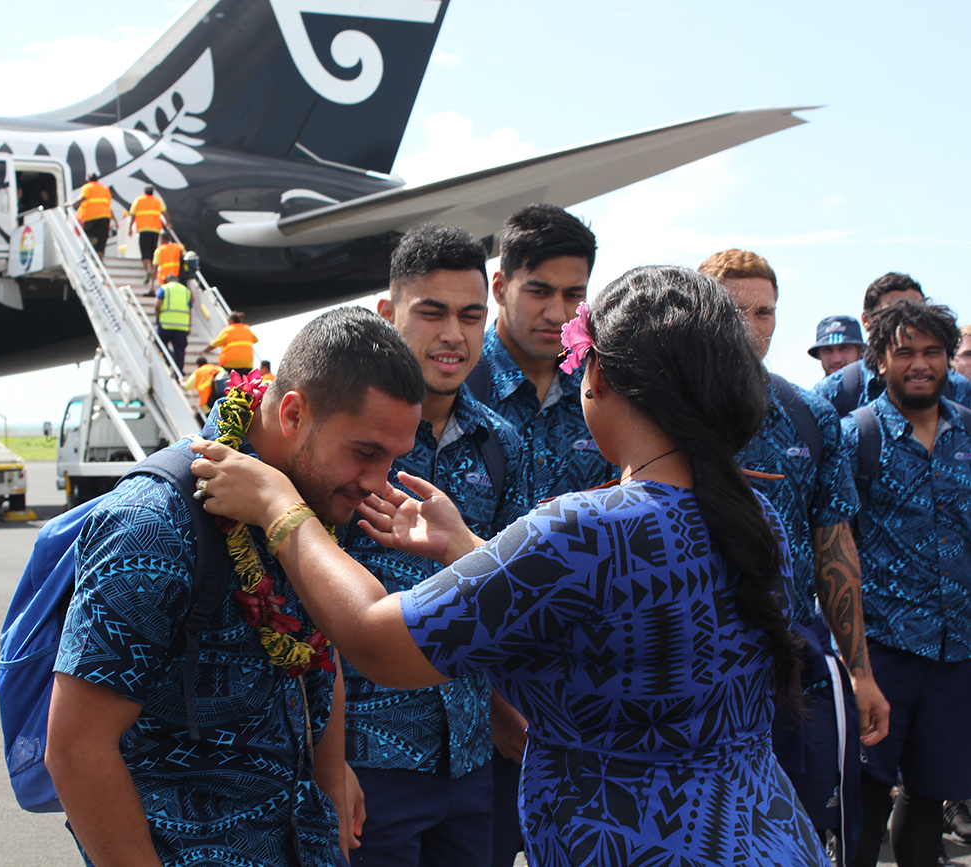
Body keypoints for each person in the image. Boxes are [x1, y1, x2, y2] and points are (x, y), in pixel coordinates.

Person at [191, 265, 830, 867]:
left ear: (599, 376)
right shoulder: (754, 520)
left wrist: (281, 508)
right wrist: (466, 547)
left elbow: (377, 639)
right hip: (763, 829)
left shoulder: (588, 530)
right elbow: (605, 640)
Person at [47, 306, 426, 867]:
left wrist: (330, 773)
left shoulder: (317, 501)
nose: (377, 481)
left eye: (393, 458)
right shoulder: (155, 523)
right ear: (294, 413)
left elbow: (320, 651)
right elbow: (77, 749)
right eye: (366, 452)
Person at [339, 225, 529, 866]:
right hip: (366, 758)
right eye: (434, 312)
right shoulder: (343, 430)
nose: (455, 334)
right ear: (387, 315)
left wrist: (503, 708)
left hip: (470, 760)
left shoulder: (503, 442)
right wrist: (323, 759)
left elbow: (505, 591)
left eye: (472, 315)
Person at [699, 250, 888, 862]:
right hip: (685, 667)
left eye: (765, 312)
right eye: (734, 311)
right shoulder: (657, 410)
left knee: (794, 829)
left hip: (790, 666)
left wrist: (858, 672)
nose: (751, 327)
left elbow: (835, 548)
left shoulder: (810, 418)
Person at [463, 202, 612, 866]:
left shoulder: (605, 390)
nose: (558, 311)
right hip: (471, 708)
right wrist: (493, 698)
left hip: (582, 698)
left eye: (574, 294)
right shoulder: (451, 384)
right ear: (500, 286)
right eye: (540, 290)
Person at [839, 301, 971, 867]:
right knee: (865, 797)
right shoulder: (856, 437)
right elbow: (834, 547)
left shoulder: (969, 433)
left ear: (948, 361)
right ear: (881, 361)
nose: (921, 364)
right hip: (883, 653)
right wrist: (855, 664)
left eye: (932, 352)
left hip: (958, 652)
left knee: (929, 794)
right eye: (906, 353)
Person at [814, 272, 971, 412]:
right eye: (893, 313)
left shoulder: (957, 388)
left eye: (917, 311)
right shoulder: (834, 391)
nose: (908, 321)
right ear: (866, 320)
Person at [128, 184, 166, 284]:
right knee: (153, 250)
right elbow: (165, 212)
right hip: (155, 229)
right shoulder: (158, 201)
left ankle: (147, 270)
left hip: (143, 228)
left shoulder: (139, 200)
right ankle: (153, 271)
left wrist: (130, 228)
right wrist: (168, 223)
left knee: (145, 250)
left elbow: (132, 214)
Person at [155, 272, 192, 371]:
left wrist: (157, 318)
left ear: (166, 280)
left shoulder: (164, 288)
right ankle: (179, 373)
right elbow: (189, 310)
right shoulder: (186, 291)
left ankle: (169, 356)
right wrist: (189, 325)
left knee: (159, 341)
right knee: (180, 350)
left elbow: (158, 305)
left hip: (166, 324)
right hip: (182, 326)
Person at [74, 173, 113, 257]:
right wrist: (115, 221)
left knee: (88, 232)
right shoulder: (105, 189)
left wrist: (71, 204)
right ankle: (100, 257)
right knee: (102, 238)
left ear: (89, 180)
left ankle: (92, 238)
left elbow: (82, 198)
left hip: (91, 215)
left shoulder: (87, 187)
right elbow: (108, 205)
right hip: (105, 216)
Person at [207, 310, 257, 375]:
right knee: (244, 382)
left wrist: (204, 351)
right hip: (247, 362)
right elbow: (255, 340)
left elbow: (215, 343)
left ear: (231, 320)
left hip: (230, 362)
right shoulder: (247, 329)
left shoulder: (228, 330)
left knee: (226, 380)